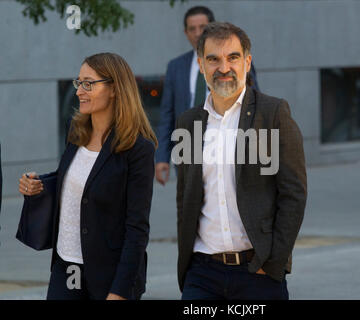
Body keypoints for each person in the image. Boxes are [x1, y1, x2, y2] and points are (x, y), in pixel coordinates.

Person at [175, 22, 307, 300]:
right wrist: (187, 268)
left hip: (257, 274)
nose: (224, 67)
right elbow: (184, 197)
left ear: (247, 62)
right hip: (201, 274)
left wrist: (273, 263)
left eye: (233, 57)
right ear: (201, 65)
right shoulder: (188, 122)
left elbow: (293, 194)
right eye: (213, 59)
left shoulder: (272, 114)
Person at [18, 52, 157, 300]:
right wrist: (38, 185)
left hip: (109, 275)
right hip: (66, 266)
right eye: (78, 82)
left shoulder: (138, 149)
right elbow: (72, 178)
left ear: (114, 88)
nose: (80, 91)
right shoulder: (76, 131)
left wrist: (120, 291)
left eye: (89, 83)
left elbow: (137, 228)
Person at [155, 6, 259, 185]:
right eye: (191, 29)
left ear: (212, 27)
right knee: (190, 207)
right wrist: (162, 156)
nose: (197, 33)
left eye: (202, 27)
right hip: (187, 150)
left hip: (228, 147)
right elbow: (167, 114)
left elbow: (253, 103)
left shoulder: (234, 64)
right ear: (185, 32)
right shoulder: (175, 67)